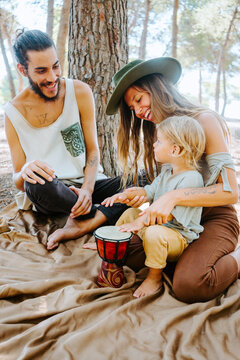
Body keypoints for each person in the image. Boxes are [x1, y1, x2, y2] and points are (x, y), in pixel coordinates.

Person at [101, 57, 239, 303]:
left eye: (139, 100)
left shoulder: (203, 120)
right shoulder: (162, 131)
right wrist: (142, 194)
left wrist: (173, 197)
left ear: (157, 87)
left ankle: (234, 258)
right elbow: (163, 186)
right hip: (175, 223)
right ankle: (185, 259)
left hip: (213, 217)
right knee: (125, 252)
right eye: (132, 109)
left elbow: (231, 192)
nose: (139, 112)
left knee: (189, 286)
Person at [4, 29, 145, 251]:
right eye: (41, 71)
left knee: (148, 178)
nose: (52, 77)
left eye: (55, 66)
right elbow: (19, 180)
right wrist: (26, 171)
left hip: (91, 185)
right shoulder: (12, 112)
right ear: (23, 70)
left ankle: (88, 216)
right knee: (35, 182)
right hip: (53, 192)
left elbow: (93, 152)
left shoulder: (79, 91)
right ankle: (102, 212)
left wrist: (87, 191)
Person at [102, 115, 206, 298]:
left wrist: (141, 223)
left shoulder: (192, 179)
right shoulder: (167, 172)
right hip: (158, 227)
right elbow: (149, 192)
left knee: (153, 233)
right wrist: (126, 195)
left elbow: (168, 216)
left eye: (159, 141)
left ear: (175, 149)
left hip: (176, 237)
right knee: (131, 212)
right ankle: (111, 242)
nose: (154, 145)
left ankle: (154, 277)